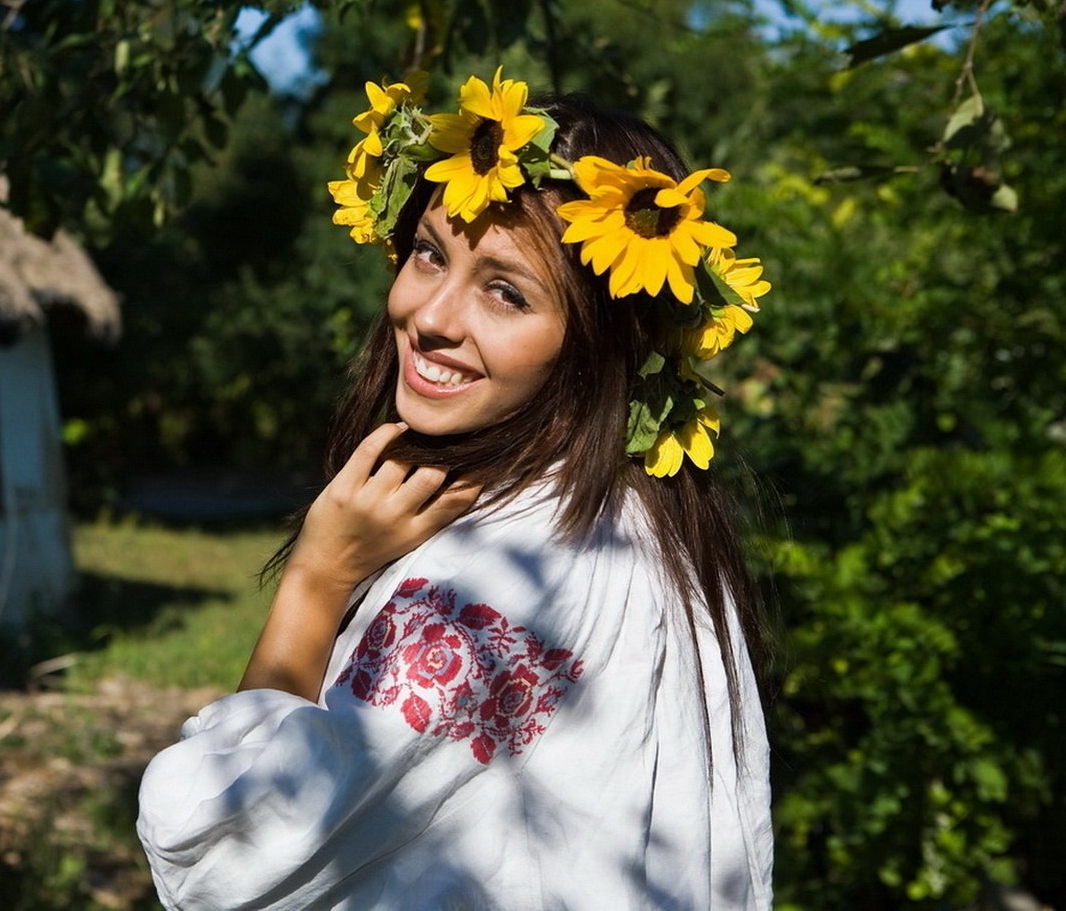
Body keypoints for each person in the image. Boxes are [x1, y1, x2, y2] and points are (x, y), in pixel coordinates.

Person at [136, 69, 775, 910]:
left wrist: (313, 582)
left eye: (505, 292)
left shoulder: (510, 578)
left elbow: (223, 849)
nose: (432, 315)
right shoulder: (637, 527)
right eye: (430, 252)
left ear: (596, 342)